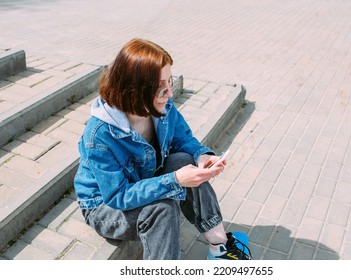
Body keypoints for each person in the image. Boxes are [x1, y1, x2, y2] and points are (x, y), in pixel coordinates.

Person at [73, 38, 252, 260]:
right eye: (160, 87)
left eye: (170, 81)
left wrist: (201, 156)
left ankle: (220, 247)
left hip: (142, 178)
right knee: (162, 209)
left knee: (185, 160)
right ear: (135, 89)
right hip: (104, 207)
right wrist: (175, 180)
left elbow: (183, 139)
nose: (169, 93)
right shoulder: (100, 134)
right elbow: (118, 196)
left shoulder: (162, 106)